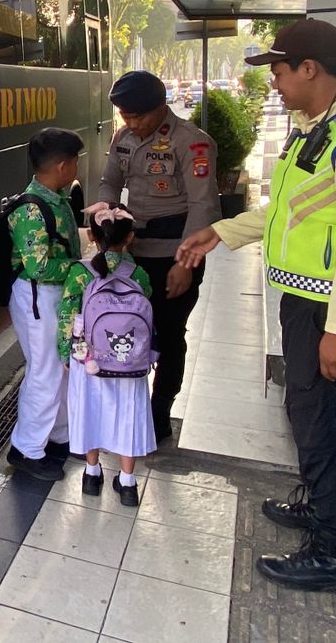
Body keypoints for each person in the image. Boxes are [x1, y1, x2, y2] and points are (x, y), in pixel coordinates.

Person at [177, 19, 336, 597]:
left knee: (324, 423)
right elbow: (285, 213)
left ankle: (333, 555)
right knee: (316, 418)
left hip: (334, 312)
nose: (275, 82)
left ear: (310, 69)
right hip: (310, 306)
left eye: (279, 71)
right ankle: (329, 507)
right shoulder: (315, 131)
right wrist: (221, 233)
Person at [87, 70, 219, 442]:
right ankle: (129, 400)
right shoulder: (124, 137)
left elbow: (202, 205)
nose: (133, 124)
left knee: (170, 332)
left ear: (161, 107)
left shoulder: (192, 143)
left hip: (175, 252)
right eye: (126, 117)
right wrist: (108, 220)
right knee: (128, 327)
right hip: (132, 252)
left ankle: (160, 408)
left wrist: (185, 264)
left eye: (139, 116)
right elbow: (109, 181)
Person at [60, 205, 156, 507]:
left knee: (90, 410)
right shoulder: (138, 273)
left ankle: (91, 473)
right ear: (129, 238)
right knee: (128, 415)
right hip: (131, 362)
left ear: (91, 234)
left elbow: (66, 315)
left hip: (90, 360)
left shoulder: (79, 272)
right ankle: (127, 483)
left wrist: (67, 352)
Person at [4, 127, 84, 482]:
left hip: (57, 294)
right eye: (76, 162)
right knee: (45, 371)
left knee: (62, 368)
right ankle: (26, 449)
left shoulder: (58, 198)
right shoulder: (31, 209)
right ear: (63, 165)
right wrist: (80, 268)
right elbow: (38, 266)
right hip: (39, 296)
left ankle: (58, 437)